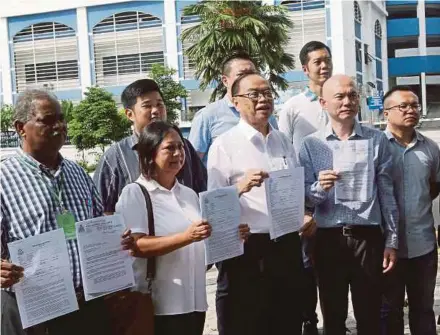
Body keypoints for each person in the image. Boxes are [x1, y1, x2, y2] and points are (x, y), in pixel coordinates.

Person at [115, 121, 249, 335]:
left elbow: (201, 243)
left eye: (181, 147)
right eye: (170, 148)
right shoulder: (136, 193)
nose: (178, 153)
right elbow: (137, 246)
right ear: (150, 153)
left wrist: (230, 235)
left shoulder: (188, 194)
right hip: (161, 305)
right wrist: (187, 237)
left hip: (194, 301)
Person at [208, 72, 315, 335]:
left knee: (287, 321)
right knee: (247, 323)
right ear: (235, 101)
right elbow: (213, 204)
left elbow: (294, 189)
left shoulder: (283, 141)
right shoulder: (224, 146)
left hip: (286, 246)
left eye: (267, 93)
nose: (263, 99)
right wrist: (239, 187)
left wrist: (304, 214)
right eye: (254, 94)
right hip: (248, 251)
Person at [0, 90, 110, 335]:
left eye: (61, 119)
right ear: (20, 128)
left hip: (86, 310)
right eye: (48, 120)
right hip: (33, 315)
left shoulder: (78, 173)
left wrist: (114, 239)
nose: (59, 126)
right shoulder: (3, 179)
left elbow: (97, 226)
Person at [298, 75, 399, 335]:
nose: (347, 102)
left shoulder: (376, 141)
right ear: (323, 102)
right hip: (328, 238)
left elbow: (386, 193)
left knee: (370, 315)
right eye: (340, 97)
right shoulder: (311, 145)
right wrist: (320, 186)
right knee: (333, 316)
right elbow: (305, 202)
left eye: (352, 95)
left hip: (368, 237)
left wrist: (391, 240)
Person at [278, 40, 333, 335]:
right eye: (317, 62)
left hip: (338, 199)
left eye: (327, 60)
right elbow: (284, 155)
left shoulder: (341, 97)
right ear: (305, 69)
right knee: (305, 265)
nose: (324, 66)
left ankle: (334, 320)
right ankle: (308, 320)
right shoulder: (292, 107)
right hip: (307, 201)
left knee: (333, 264)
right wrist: (299, 207)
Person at [93, 79, 206, 214]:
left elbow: (203, 192)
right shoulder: (115, 157)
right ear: (130, 114)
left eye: (159, 104)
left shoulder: (184, 147)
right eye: (147, 106)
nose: (156, 111)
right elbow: (100, 210)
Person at [381, 85, 440, 335]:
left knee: (423, 309)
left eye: (415, 106)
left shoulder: (430, 148)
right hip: (384, 247)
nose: (410, 110)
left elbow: (434, 187)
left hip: (423, 245)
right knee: (388, 311)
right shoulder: (376, 147)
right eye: (403, 106)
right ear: (386, 113)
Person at [188, 52, 278, 164]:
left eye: (252, 73)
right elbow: (193, 163)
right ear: (225, 81)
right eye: (241, 75)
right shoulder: (207, 116)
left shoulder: (267, 117)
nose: (248, 79)